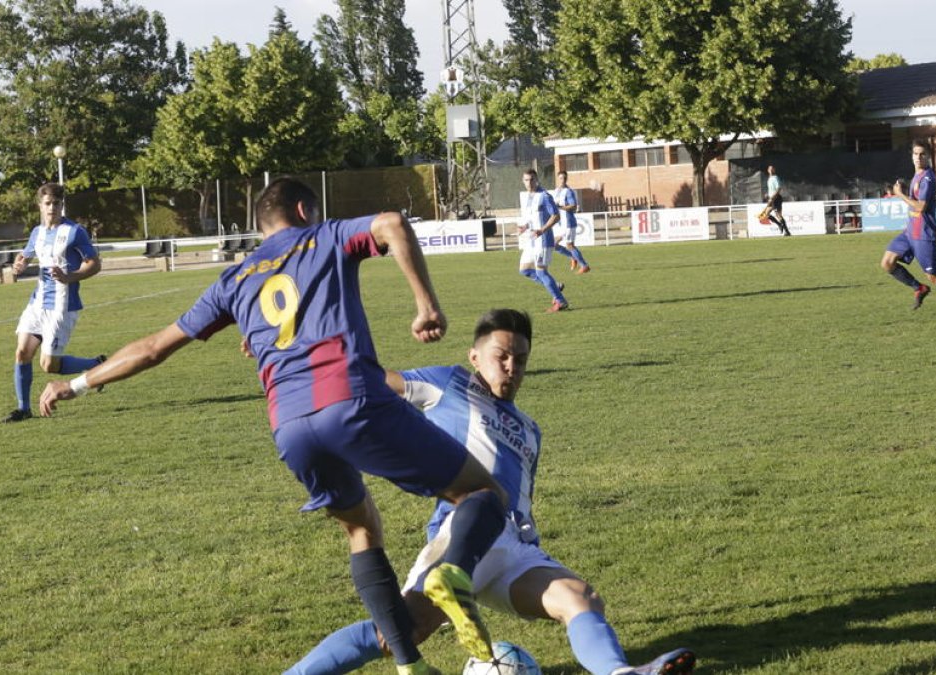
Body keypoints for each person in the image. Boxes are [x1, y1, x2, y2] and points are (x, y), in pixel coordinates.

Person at [39, 177, 511, 675]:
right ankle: (454, 574)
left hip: (289, 425)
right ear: (305, 209)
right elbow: (393, 224)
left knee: (361, 529)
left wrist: (76, 384)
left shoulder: (236, 278)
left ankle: (410, 666)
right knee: (483, 494)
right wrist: (426, 305)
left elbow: (154, 347)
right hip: (350, 400)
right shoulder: (323, 236)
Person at [285, 309, 695, 675]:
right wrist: (307, 357)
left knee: (580, 598)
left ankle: (621, 673)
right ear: (475, 357)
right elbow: (372, 383)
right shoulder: (448, 384)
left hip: (512, 545)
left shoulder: (531, 430)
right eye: (501, 356)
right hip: (462, 533)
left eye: (520, 359)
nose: (511, 366)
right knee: (396, 634)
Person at [2, 182, 104, 423]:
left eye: (56, 204)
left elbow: (94, 263)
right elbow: (25, 255)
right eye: (47, 204)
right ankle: (23, 409)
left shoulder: (74, 231)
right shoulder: (37, 232)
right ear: (40, 205)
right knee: (21, 352)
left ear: (61, 205)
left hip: (62, 305)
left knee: (49, 365)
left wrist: (71, 277)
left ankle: (97, 365)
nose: (52, 208)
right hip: (37, 303)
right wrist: (20, 264)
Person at [879, 139, 936, 321]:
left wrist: (900, 195)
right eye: (915, 154)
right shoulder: (917, 175)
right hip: (909, 232)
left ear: (928, 156)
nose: (918, 157)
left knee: (933, 276)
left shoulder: (928, 178)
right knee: (887, 262)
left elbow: (920, 207)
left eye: (922, 154)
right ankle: (918, 288)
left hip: (923, 235)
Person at [519, 169, 569, 312]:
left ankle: (561, 301)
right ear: (523, 181)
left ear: (537, 180)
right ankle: (555, 287)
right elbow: (532, 218)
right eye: (526, 180)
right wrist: (525, 226)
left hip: (543, 240)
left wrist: (542, 230)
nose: (529, 183)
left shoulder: (544, 196)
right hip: (532, 240)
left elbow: (556, 216)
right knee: (524, 270)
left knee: (541, 272)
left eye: (532, 180)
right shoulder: (529, 197)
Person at [552, 171, 592, 274]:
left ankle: (584, 265)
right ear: (557, 179)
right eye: (561, 178)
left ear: (566, 179)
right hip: (560, 223)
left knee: (569, 245)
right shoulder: (556, 191)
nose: (563, 180)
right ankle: (573, 257)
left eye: (564, 178)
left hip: (568, 223)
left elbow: (573, 206)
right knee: (553, 245)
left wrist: (560, 207)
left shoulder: (568, 191)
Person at [764, 165, 791, 236]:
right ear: (768, 170)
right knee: (766, 214)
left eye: (772, 169)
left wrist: (772, 197)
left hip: (776, 198)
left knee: (778, 215)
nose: (771, 170)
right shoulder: (769, 178)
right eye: (770, 169)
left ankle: (787, 231)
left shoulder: (775, 178)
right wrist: (768, 194)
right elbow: (772, 189)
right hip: (771, 198)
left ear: (774, 170)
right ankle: (780, 225)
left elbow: (778, 189)